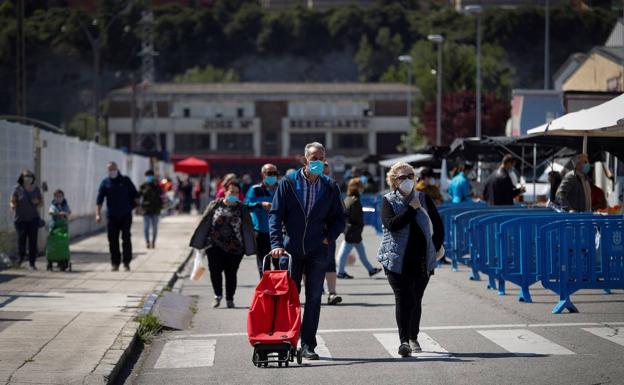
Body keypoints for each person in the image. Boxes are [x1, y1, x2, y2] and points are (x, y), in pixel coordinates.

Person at [269, 142, 345, 360]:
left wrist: (328, 238)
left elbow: (340, 218)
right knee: (288, 297)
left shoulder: (330, 186)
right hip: (290, 250)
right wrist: (276, 244)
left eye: (320, 158)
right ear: (304, 159)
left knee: (314, 297)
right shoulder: (288, 183)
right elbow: (275, 214)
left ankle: (308, 344)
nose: (317, 162)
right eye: (313, 158)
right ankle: (287, 339)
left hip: (317, 250)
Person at [378, 162, 444, 358]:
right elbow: (391, 225)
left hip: (422, 259)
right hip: (397, 260)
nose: (407, 180)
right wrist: (411, 209)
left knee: (415, 299)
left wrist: (435, 246)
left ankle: (413, 335)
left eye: (410, 176)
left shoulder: (424, 197)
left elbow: (438, 226)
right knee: (404, 298)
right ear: (393, 181)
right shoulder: (388, 200)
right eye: (401, 177)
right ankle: (404, 340)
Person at [189, 179, 256, 308]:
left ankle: (230, 298)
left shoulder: (241, 208)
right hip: (214, 246)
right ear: (224, 191)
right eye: (231, 191)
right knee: (215, 271)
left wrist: (248, 245)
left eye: (236, 193)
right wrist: (200, 241)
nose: (233, 194)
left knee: (231, 274)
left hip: (235, 248)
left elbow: (247, 227)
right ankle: (217, 295)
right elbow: (205, 222)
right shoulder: (215, 205)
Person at [96, 162, 139, 271]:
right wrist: (98, 214)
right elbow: (99, 200)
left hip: (125, 215)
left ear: (117, 168)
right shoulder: (105, 183)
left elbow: (135, 195)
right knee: (112, 240)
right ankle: (115, 263)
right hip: (112, 216)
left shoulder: (125, 180)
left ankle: (126, 262)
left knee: (126, 238)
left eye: (113, 169)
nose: (112, 171)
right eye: (109, 169)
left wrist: (134, 206)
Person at [337, 178, 382, 279]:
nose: (362, 188)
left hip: (352, 230)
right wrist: (357, 225)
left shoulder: (350, 198)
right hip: (353, 230)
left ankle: (370, 269)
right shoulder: (354, 199)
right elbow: (353, 216)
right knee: (345, 252)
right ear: (357, 187)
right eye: (361, 186)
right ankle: (340, 271)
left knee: (361, 252)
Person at [245, 163, 280, 277]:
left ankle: (278, 292)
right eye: (269, 173)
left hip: (278, 232)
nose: (272, 176)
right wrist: (260, 204)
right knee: (264, 265)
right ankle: (266, 291)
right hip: (261, 232)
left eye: (275, 173)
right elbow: (246, 206)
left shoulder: (282, 188)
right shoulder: (255, 189)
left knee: (279, 265)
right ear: (263, 174)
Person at [9, 169, 43, 270]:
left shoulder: (36, 189)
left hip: (33, 219)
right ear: (22, 178)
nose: (27, 178)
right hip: (20, 220)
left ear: (32, 178)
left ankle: (32, 263)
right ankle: (20, 259)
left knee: (33, 241)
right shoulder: (17, 189)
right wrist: (12, 205)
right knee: (21, 241)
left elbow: (41, 203)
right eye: (25, 176)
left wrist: (37, 201)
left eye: (29, 176)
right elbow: (12, 200)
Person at [322, 162, 342, 305]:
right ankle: (310, 294)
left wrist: (331, 235)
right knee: (305, 266)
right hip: (307, 236)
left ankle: (332, 293)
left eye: (326, 173)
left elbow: (341, 214)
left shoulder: (332, 187)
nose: (325, 175)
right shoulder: (303, 187)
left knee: (329, 263)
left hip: (326, 234)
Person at [47, 189, 72, 270]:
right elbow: (50, 212)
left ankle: (62, 260)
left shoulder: (65, 205)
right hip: (54, 227)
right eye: (57, 196)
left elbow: (69, 212)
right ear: (54, 197)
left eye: (60, 196)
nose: (59, 198)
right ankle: (52, 258)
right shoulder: (53, 205)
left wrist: (65, 214)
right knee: (54, 244)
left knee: (63, 243)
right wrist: (58, 214)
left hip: (63, 227)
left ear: (63, 197)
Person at [139, 170, 164, 249]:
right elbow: (139, 195)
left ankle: (153, 242)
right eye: (148, 176)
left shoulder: (157, 185)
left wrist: (157, 185)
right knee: (146, 227)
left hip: (156, 209)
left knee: (154, 227)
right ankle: (147, 242)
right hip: (146, 209)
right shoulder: (143, 185)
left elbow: (161, 194)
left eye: (150, 176)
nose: (149, 177)